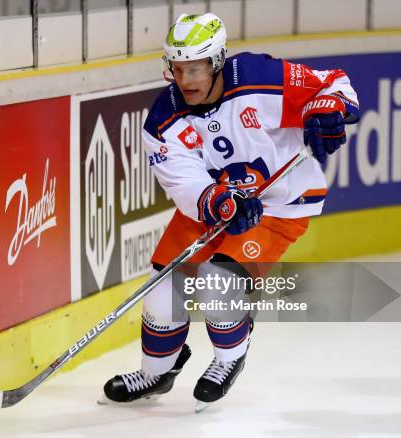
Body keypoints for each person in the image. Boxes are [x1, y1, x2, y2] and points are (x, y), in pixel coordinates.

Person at [101, 12, 359, 412]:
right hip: (211, 207)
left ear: (218, 60)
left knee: (219, 284)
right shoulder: (162, 119)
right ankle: (158, 371)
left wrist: (327, 108)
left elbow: (333, 83)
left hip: (280, 204)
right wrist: (216, 200)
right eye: (178, 68)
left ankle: (228, 358)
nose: (186, 80)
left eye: (196, 67)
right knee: (162, 290)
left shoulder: (260, 77)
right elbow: (183, 181)